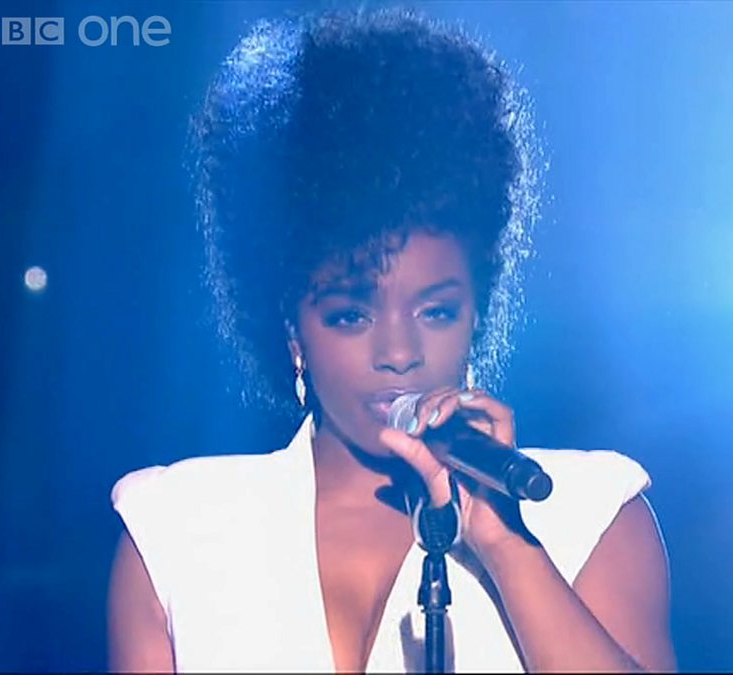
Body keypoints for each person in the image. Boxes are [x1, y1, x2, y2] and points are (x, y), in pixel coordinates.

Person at [107, 7, 675, 673]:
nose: (400, 353)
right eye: (351, 315)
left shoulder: (587, 512)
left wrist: (504, 543)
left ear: (477, 312)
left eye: (436, 311)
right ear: (292, 330)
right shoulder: (176, 531)